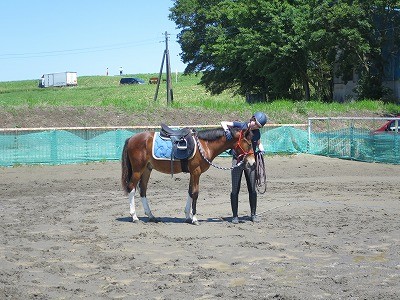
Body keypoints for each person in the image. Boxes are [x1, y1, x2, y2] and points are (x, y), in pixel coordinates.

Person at [221, 112, 268, 224]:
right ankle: (235, 216)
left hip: (250, 161)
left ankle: (253, 214)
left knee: (252, 188)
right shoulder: (240, 126)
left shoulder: (256, 133)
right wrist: (227, 131)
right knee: (235, 188)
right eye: (255, 123)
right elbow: (223, 123)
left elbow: (257, 143)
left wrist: (261, 147)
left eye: (258, 126)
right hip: (237, 160)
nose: (255, 126)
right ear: (252, 119)